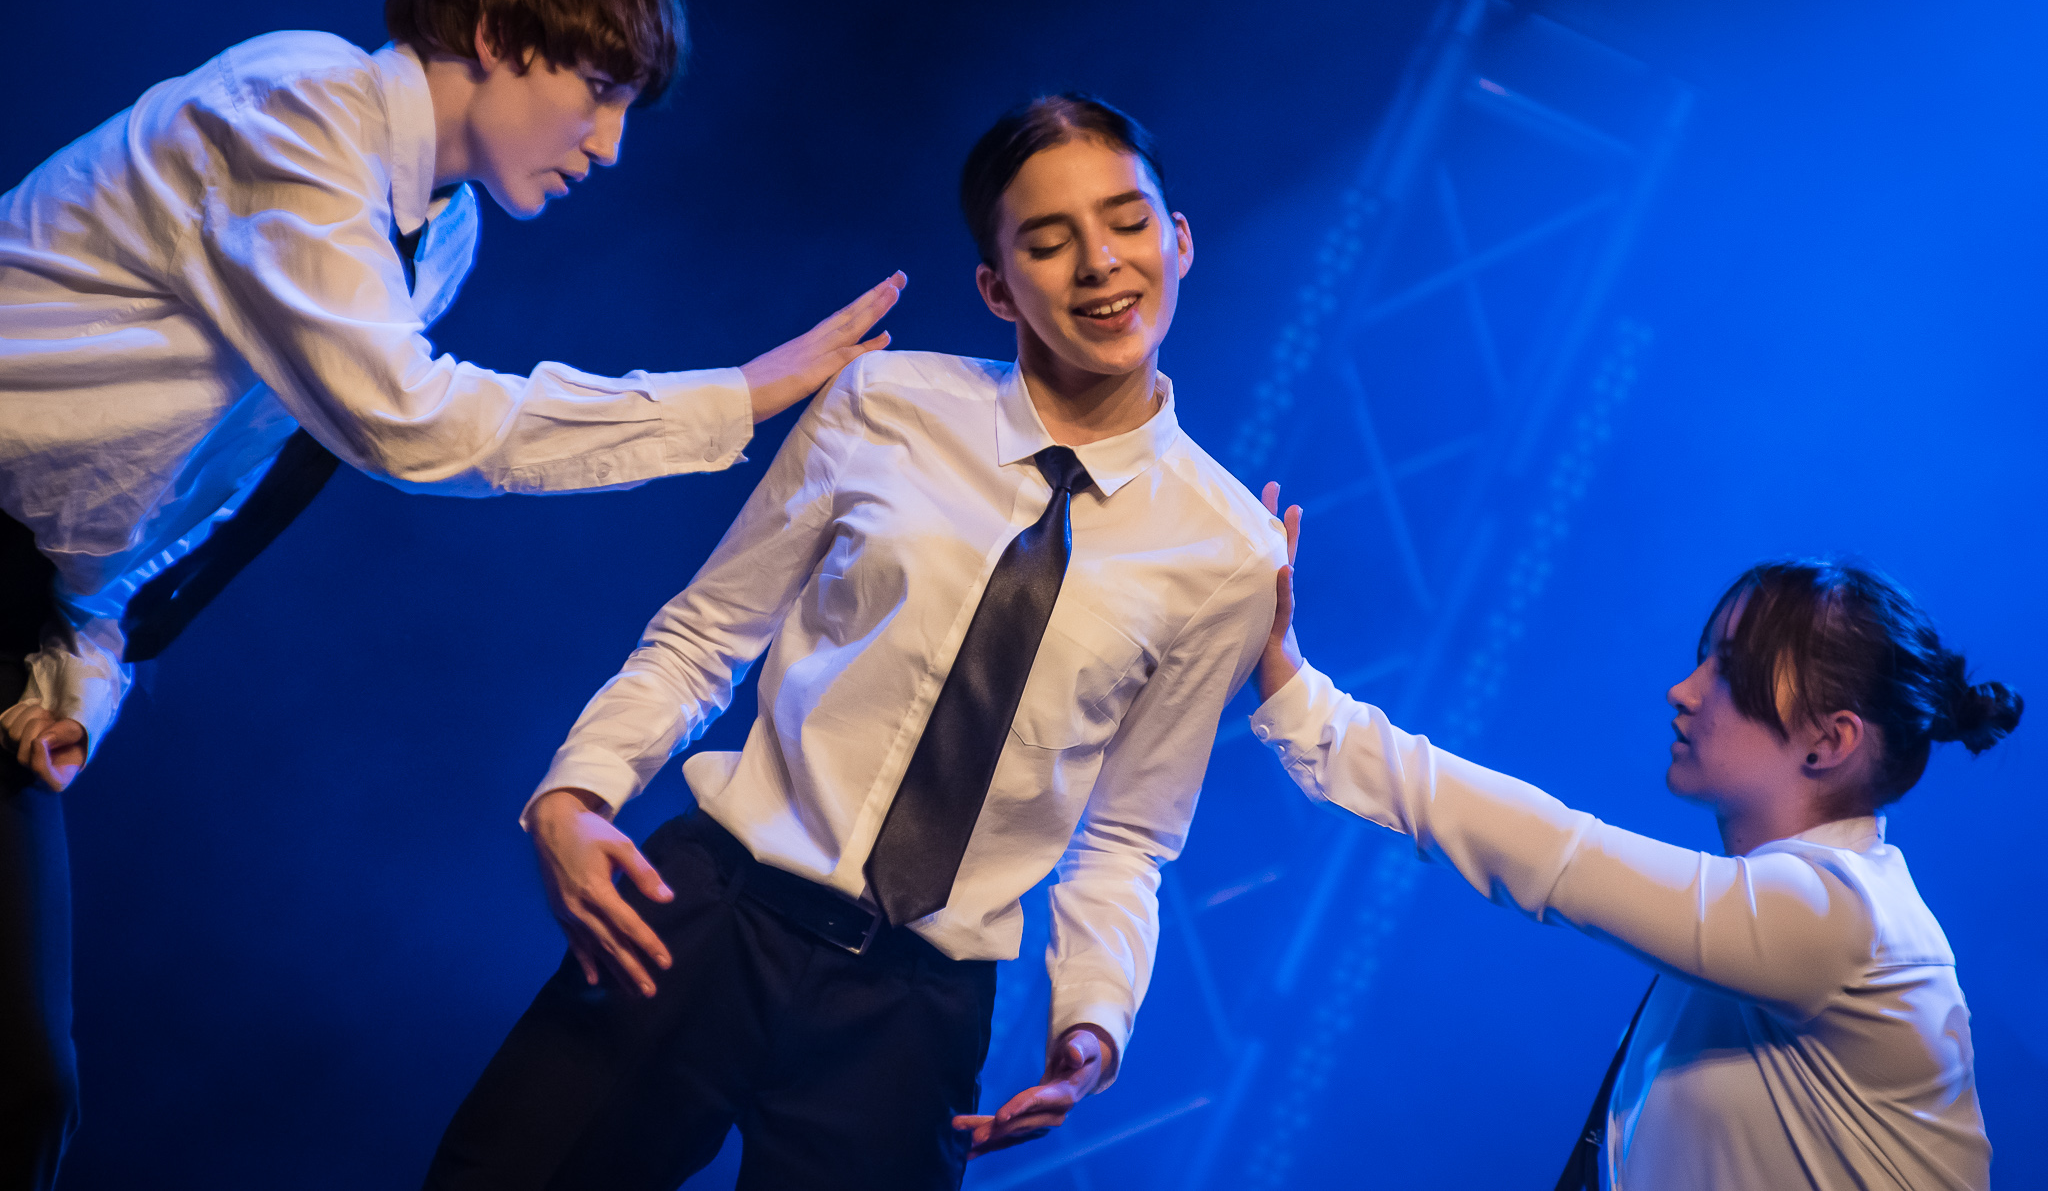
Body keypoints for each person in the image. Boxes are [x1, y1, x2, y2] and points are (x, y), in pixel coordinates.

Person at [0, 0, 902, 1191]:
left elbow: (220, 493)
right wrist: (736, 397)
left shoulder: (443, 234)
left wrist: (81, 666)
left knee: (24, 1086)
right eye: (598, 91)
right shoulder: (299, 104)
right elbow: (405, 423)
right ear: (494, 35)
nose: (609, 146)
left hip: (22, 605)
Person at [421, 94, 1287, 1190]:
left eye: (1127, 221)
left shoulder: (1232, 553)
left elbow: (1127, 835)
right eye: (1047, 241)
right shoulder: (883, 402)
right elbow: (706, 634)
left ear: (1179, 239)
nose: (1100, 264)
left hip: (912, 1020)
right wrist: (575, 793)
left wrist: (1094, 1021)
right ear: (996, 287)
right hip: (705, 921)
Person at [1249, 488, 2017, 1190]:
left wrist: (1308, 707)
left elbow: (1559, 856)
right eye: (1702, 660)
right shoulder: (1778, 921)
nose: (1683, 691)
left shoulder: (1848, 919)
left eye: (1729, 670)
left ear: (1829, 740)